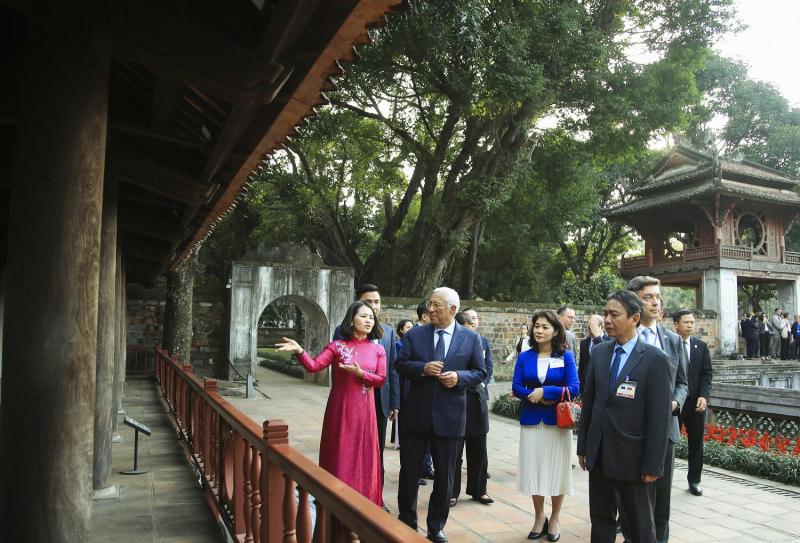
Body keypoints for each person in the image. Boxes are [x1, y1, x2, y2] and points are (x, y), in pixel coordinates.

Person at [577, 290, 672, 543]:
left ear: (634, 318)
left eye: (614, 315)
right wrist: (584, 445)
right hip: (600, 455)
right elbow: (591, 404)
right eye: (606, 313)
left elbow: (660, 417)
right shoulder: (600, 353)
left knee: (639, 526)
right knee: (601, 520)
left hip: (634, 459)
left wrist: (653, 464)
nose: (606, 320)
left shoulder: (655, 359)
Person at [395, 287, 487, 543]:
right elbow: (400, 364)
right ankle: (407, 521)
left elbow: (480, 372)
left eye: (436, 305)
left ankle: (435, 526)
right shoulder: (415, 335)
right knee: (409, 473)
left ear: (452, 310)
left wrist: (460, 377)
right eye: (430, 304)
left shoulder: (470, 339)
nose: (430, 309)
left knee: (445, 477)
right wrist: (422, 368)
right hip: (417, 415)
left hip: (451, 417)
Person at [275, 301, 386, 504]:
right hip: (341, 409)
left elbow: (380, 380)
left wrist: (361, 374)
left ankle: (365, 503)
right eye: (363, 316)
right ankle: (335, 501)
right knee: (340, 454)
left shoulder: (377, 350)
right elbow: (314, 366)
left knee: (364, 456)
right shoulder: (337, 346)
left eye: (371, 317)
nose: (369, 320)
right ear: (351, 321)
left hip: (365, 413)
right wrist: (300, 351)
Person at [624, 276, 688, 543]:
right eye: (648, 296)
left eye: (658, 297)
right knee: (631, 501)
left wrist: (675, 401)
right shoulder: (621, 339)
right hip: (628, 431)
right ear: (634, 301)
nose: (655, 302)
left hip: (665, 432)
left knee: (662, 502)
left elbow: (683, 383)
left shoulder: (672, 341)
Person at [513, 310, 579, 542]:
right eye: (536, 326)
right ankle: (539, 517)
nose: (539, 331)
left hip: (557, 423)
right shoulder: (525, 356)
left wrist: (547, 391)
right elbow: (517, 386)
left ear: (556, 331)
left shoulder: (566, 356)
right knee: (535, 468)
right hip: (532, 420)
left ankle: (556, 517)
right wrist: (537, 395)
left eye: (545, 327)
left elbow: (574, 388)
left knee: (557, 470)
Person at [333, 284, 399, 512]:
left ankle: (375, 499)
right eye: (368, 302)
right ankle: (345, 497)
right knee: (348, 451)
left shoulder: (388, 333)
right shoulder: (341, 335)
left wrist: (395, 402)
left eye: (377, 302)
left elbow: (391, 370)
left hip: (379, 402)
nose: (374, 307)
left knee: (375, 454)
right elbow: (337, 367)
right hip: (352, 402)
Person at [450, 308, 493, 508]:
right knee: (455, 450)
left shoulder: (481, 341)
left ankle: (479, 490)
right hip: (456, 397)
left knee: (479, 448)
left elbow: (487, 367)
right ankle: (451, 492)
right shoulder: (449, 344)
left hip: (476, 398)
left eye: (472, 328)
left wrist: (481, 383)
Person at [673, 309, 712, 496]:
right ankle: (663, 479)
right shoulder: (669, 344)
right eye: (686, 322)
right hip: (674, 403)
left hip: (695, 402)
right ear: (676, 325)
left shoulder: (700, 346)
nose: (690, 325)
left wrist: (704, 396)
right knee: (669, 441)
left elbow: (706, 373)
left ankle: (695, 480)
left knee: (696, 443)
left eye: (692, 322)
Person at [391, 318, 414, 449]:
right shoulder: (398, 345)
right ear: (401, 330)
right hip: (399, 379)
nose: (410, 329)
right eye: (407, 327)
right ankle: (397, 438)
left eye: (412, 327)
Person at [578, 315, 608, 395]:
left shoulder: (610, 341)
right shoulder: (584, 343)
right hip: (586, 388)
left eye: (593, 328)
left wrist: (597, 338)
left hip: (602, 388)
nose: (590, 331)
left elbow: (607, 355)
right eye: (589, 328)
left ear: (601, 327)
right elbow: (582, 366)